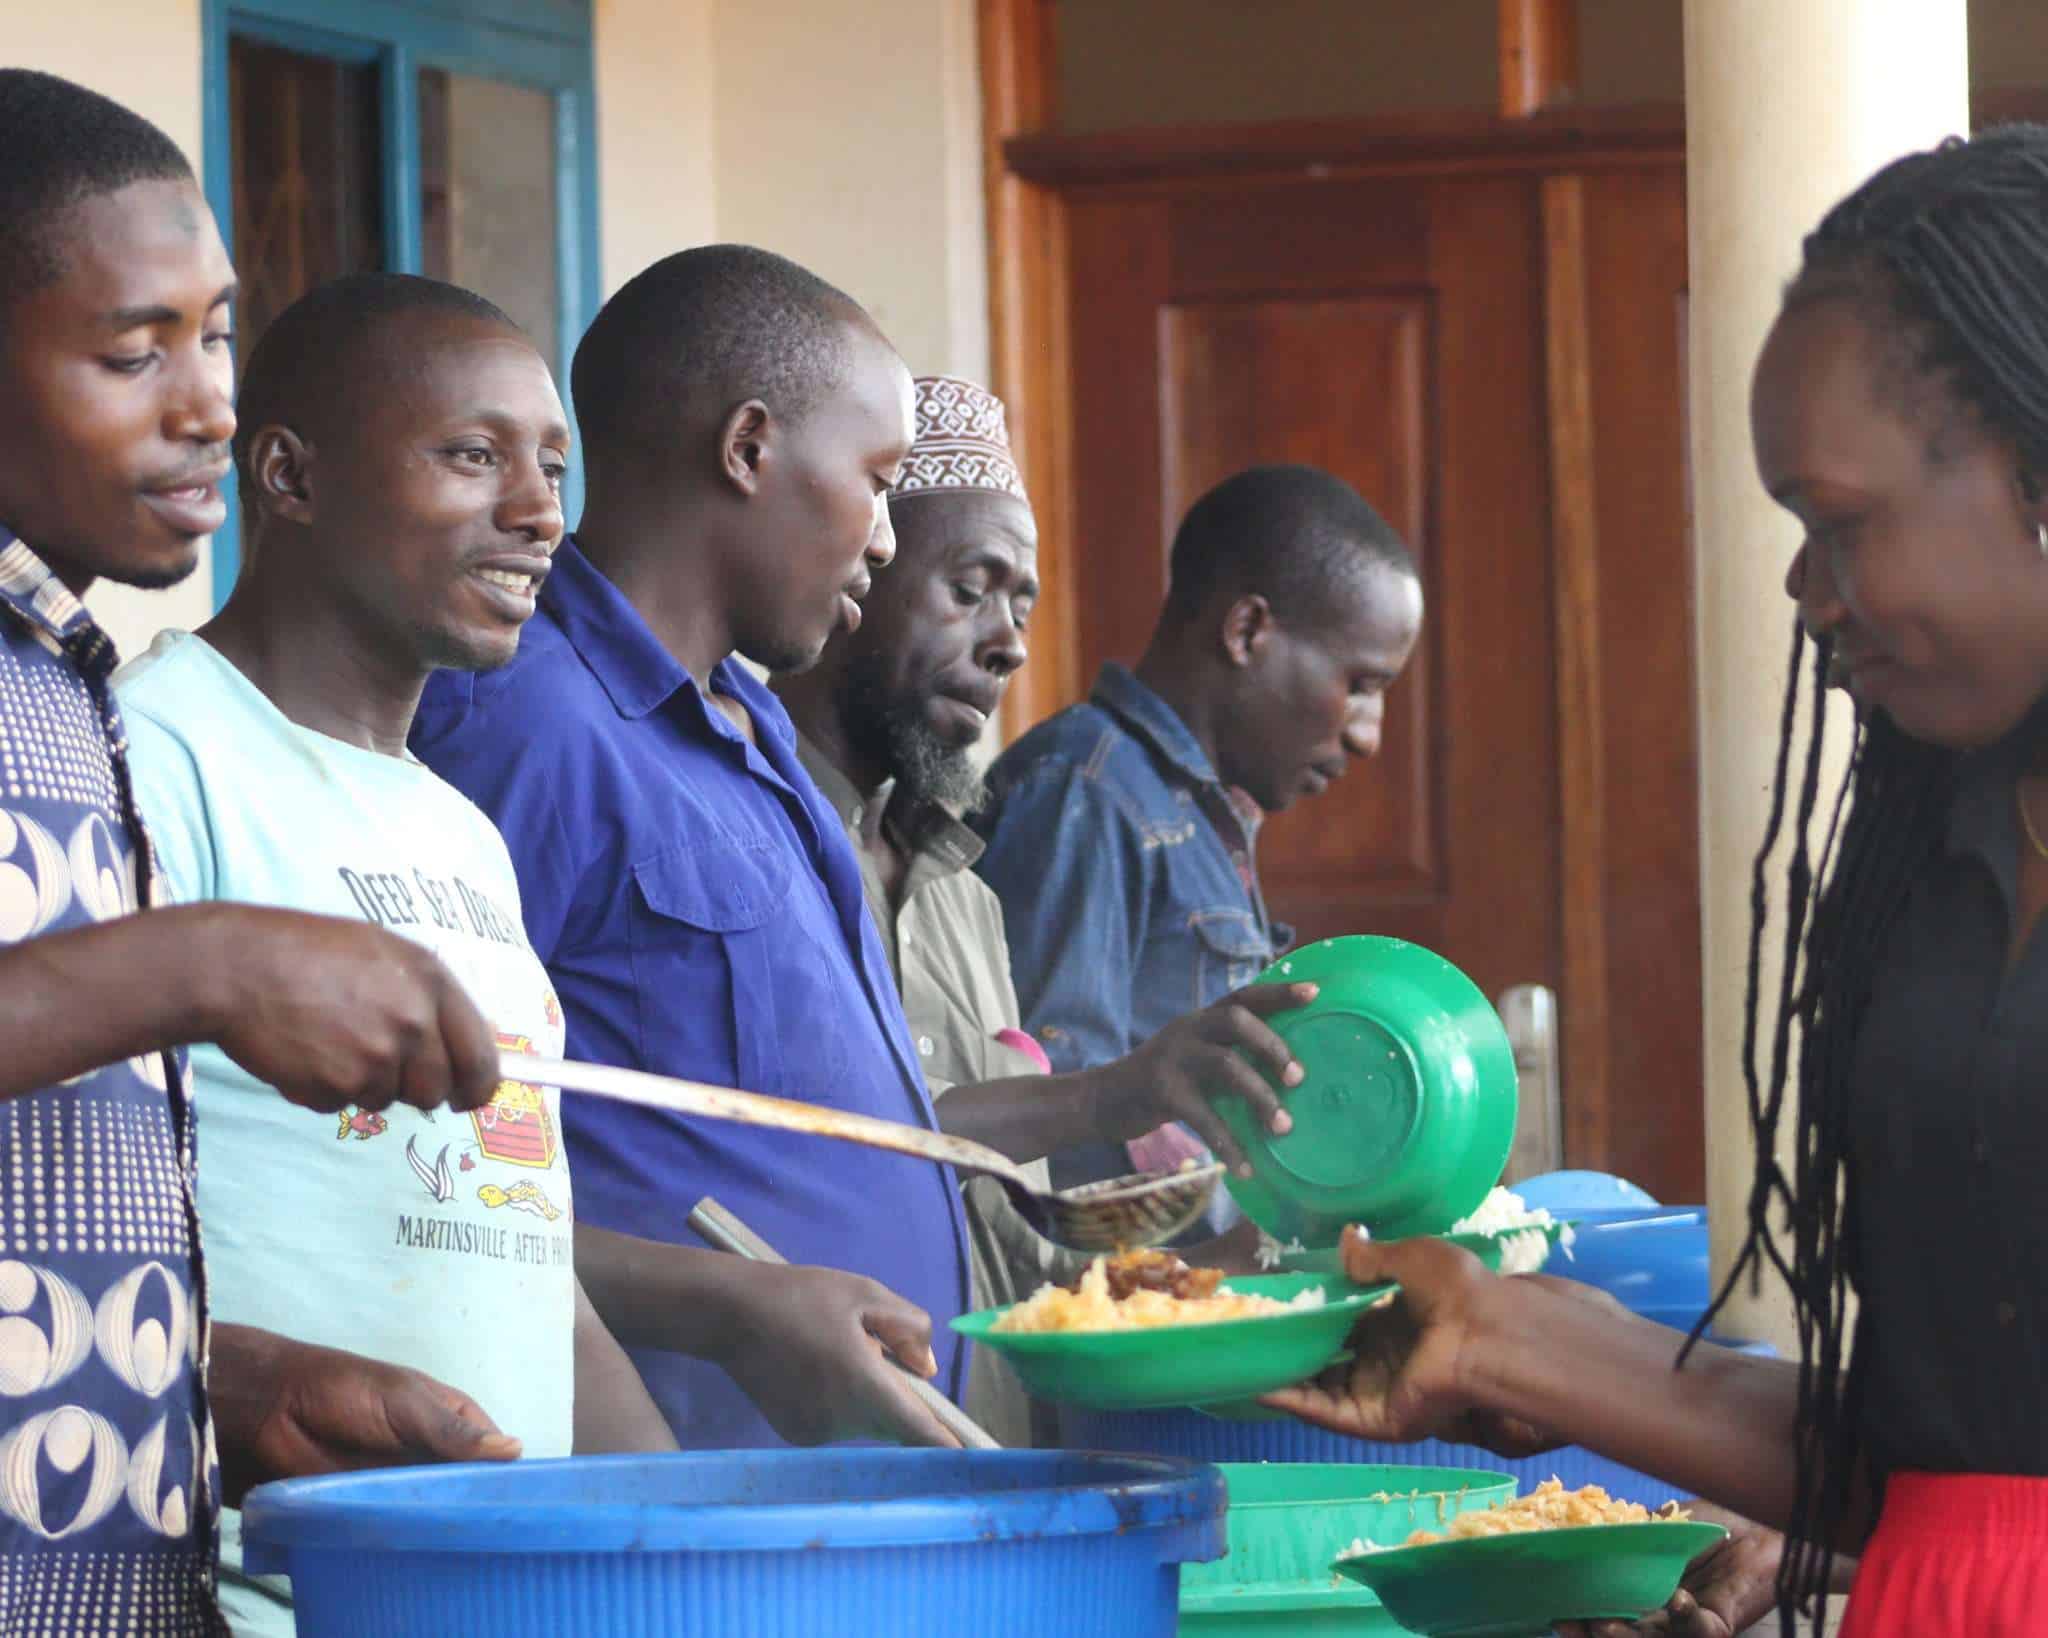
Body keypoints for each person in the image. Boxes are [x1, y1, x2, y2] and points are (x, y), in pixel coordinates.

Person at [1265, 127, 2048, 1638]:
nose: (1800, 591)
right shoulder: (1947, 869)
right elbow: (1949, 1467)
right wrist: (1512, 1338)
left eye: (1839, 521)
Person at [0, 71, 501, 1632]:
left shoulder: (62, 680)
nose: (210, 400)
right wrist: (209, 960)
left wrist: (227, 1383)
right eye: (132, 351)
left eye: (214, 333)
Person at [114, 272, 688, 1635]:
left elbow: (525, 1260)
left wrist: (693, 1537)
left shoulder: (463, 833)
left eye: (552, 464)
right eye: (473, 455)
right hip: (267, 1598)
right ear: (291, 475)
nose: (541, 510)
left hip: (510, 1597)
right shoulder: (160, 753)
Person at [411, 245, 979, 1450]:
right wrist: (731, 1309)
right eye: (874, 481)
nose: (884, 539)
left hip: (842, 1503)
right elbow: (418, 1180)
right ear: (749, 449)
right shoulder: (525, 723)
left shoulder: (748, 713)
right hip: (680, 1507)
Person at [772, 376, 1313, 1441]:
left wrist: (1262, 1264)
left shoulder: (965, 901)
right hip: (801, 1477)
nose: (1009, 642)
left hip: (987, 1459)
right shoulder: (746, 857)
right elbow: (793, 1149)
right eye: (969, 589)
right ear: (854, 575)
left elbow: (1023, 1265)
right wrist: (1110, 1094)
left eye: (1020, 605)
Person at [974, 465, 1424, 1202]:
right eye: (1362, 686)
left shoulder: (1196, 816)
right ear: (1248, 630)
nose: (1370, 736)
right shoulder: (1086, 792)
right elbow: (1051, 1122)